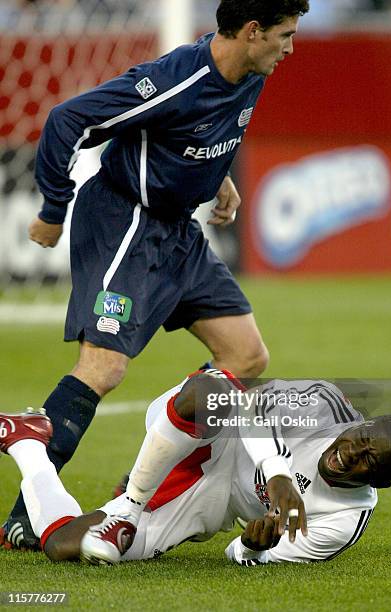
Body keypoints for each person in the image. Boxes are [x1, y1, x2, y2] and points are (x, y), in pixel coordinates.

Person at [2, 0, 310, 548]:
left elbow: (203, 136)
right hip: (126, 223)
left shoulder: (252, 69)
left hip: (179, 232)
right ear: (252, 31)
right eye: (284, 35)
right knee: (104, 367)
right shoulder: (172, 80)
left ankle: (164, 477)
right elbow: (67, 118)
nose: (291, 47)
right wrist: (53, 209)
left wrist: (218, 180)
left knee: (245, 356)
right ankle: (27, 511)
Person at [0, 370, 391, 565]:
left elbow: (238, 554)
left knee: (65, 546)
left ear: (380, 482)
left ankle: (26, 441)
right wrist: (276, 473)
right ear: (358, 424)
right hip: (211, 434)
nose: (352, 452)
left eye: (369, 461)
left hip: (212, 502)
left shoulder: (343, 521)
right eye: (361, 439)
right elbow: (244, 406)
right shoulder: (324, 404)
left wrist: (254, 547)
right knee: (211, 389)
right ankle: (130, 505)